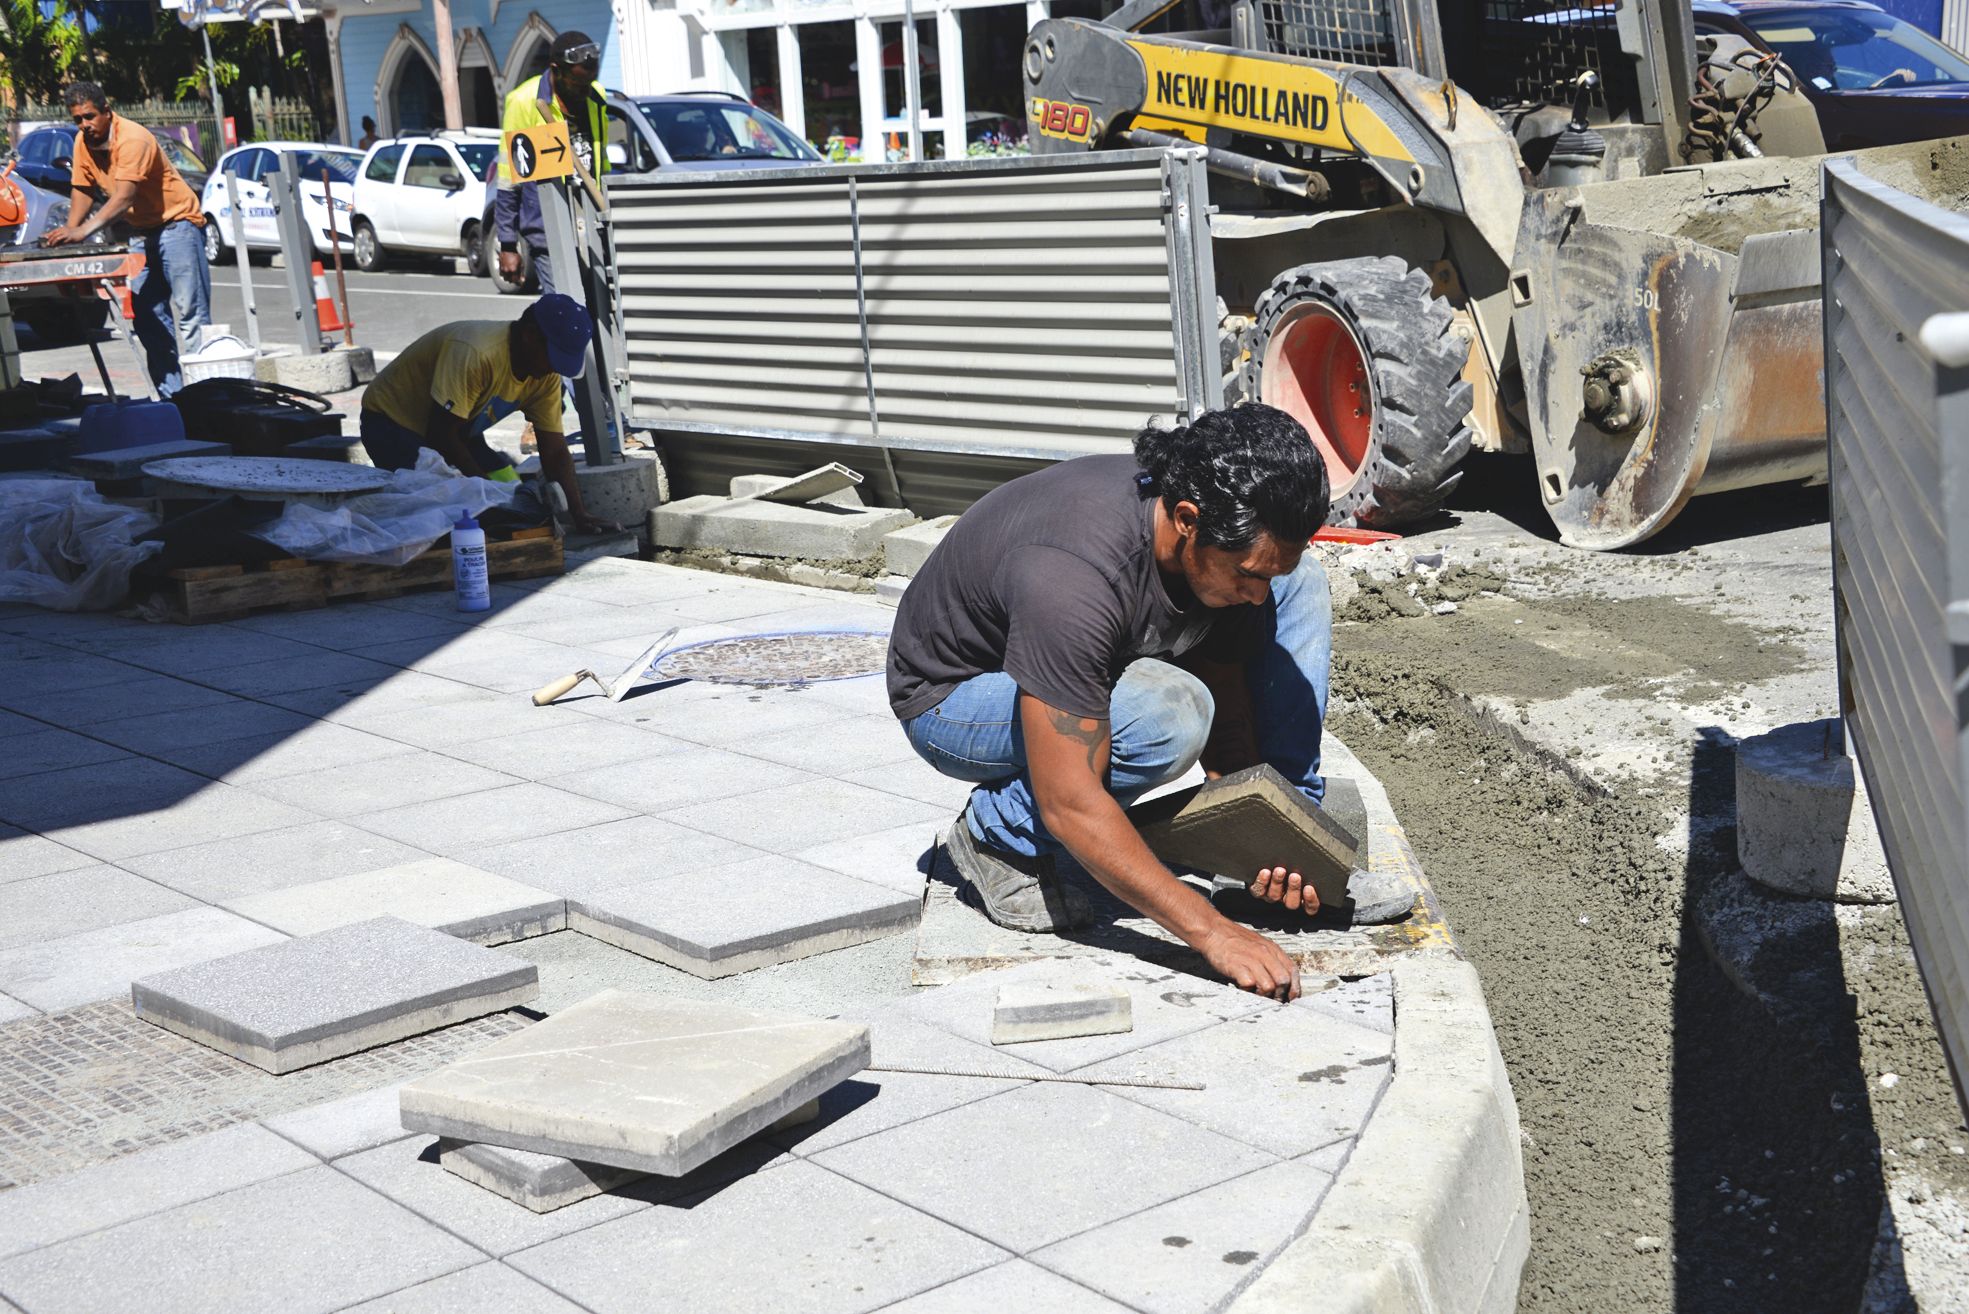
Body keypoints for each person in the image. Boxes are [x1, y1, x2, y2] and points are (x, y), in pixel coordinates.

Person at [888, 405, 1394, 1001]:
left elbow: (1224, 666)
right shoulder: (1073, 573)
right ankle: (996, 836)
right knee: (1166, 715)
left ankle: (1287, 833)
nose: (1255, 597)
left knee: (1296, 582)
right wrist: (1212, 932)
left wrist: (1258, 832)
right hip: (957, 696)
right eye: (1245, 574)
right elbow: (1070, 801)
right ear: (1186, 520)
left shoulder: (1215, 537)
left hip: (1098, 655)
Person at [357, 294, 620, 533]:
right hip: (390, 422)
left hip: (459, 427)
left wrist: (579, 514)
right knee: (438, 508)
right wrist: (480, 489)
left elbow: (554, 450)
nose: (554, 368)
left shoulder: (545, 375)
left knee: (513, 497)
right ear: (529, 336)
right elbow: (441, 434)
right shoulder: (476, 352)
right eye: (553, 357)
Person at [42, 82, 210, 397]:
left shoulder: (133, 138)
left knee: (191, 315)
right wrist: (69, 231)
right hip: (141, 233)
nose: (84, 124)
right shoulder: (82, 142)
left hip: (178, 225)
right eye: (78, 119)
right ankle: (170, 395)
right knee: (147, 318)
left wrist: (83, 230)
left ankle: (204, 396)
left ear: (107, 111)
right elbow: (82, 187)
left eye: (89, 116)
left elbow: (123, 197)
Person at [496, 30, 610, 295]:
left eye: (590, 82)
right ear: (556, 71)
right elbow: (509, 178)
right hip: (549, 232)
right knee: (566, 316)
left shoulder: (596, 96)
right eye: (577, 84)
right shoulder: (525, 102)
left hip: (593, 228)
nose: (585, 91)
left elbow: (601, 164)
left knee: (599, 317)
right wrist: (508, 245)